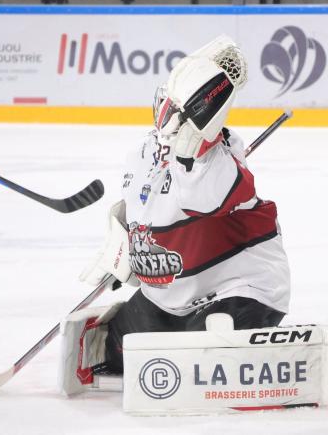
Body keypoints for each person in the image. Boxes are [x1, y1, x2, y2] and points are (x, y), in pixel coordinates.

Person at [60, 36, 291, 391]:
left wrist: (191, 158)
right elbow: (137, 207)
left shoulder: (221, 163)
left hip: (239, 289)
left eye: (177, 109)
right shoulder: (141, 152)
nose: (166, 115)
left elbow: (201, 195)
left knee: (210, 357)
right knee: (116, 350)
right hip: (169, 298)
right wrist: (123, 248)